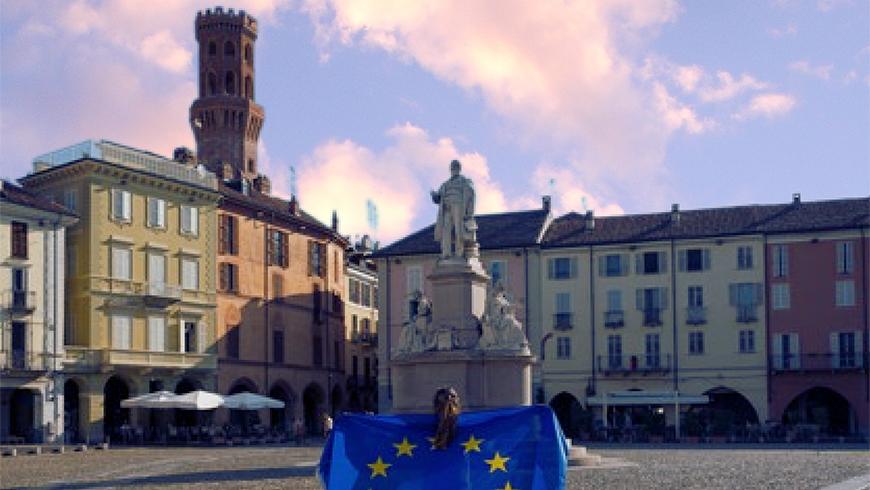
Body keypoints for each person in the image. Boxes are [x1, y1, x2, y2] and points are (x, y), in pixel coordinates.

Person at [431, 160, 475, 259]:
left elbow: (471, 194)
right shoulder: (445, 184)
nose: (454, 169)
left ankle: (460, 252)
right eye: (452, 167)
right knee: (446, 230)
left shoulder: (465, 181)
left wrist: (469, 212)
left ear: (459, 169)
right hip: (446, 207)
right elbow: (438, 198)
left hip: (458, 206)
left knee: (459, 229)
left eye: (456, 167)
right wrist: (434, 196)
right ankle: (446, 253)